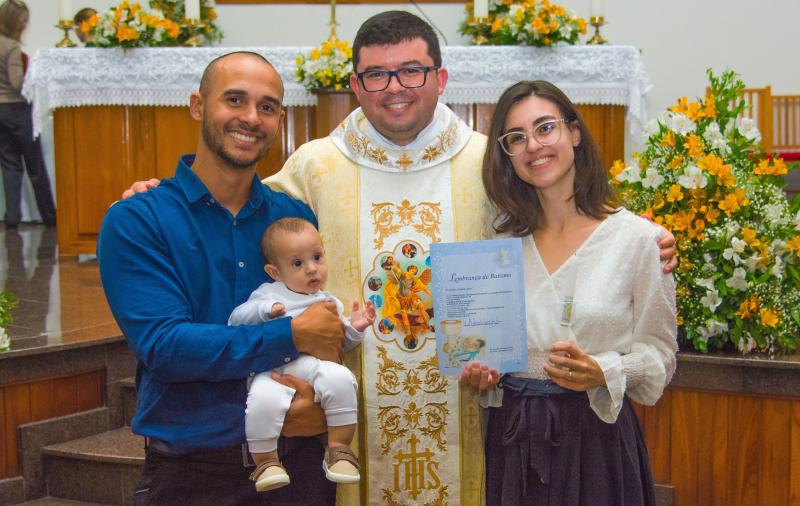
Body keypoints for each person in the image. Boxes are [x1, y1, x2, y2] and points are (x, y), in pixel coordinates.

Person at [122, 12, 678, 505]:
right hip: (351, 420)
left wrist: (642, 239)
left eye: (411, 71)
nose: (395, 88)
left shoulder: (490, 161)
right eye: (377, 75)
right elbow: (234, 207)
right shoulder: (315, 167)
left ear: (440, 78)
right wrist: (160, 191)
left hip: (475, 419)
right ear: (355, 85)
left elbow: (564, 210)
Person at [98, 51, 346, 505]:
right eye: (235, 100)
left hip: (300, 465)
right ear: (198, 105)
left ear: (280, 119)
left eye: (267, 107)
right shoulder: (139, 219)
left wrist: (318, 391)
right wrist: (289, 334)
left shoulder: (293, 217)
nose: (251, 118)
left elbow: (326, 328)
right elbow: (166, 348)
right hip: (194, 470)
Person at [461, 80, 678, 505]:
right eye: (516, 137)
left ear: (575, 133)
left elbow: (660, 356)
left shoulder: (637, 240)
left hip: (595, 438)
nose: (533, 146)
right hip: (512, 438)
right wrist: (482, 373)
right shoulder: (500, 243)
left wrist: (604, 371)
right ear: (506, 155)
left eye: (546, 128)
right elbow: (486, 343)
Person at [228, 217, 376, 492]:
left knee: (342, 378)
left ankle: (339, 448)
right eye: (298, 263)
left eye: (317, 257)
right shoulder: (268, 293)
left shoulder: (328, 300)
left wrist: (354, 329)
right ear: (275, 272)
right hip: (272, 371)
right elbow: (235, 320)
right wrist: (266, 310)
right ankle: (266, 462)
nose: (312, 269)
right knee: (262, 400)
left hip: (313, 368)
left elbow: (338, 344)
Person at [0, 0, 56, 228]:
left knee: (10, 165)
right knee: (35, 166)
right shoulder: (11, 46)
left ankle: (12, 217)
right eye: (23, 21)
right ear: (15, 21)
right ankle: (50, 217)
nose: (25, 25)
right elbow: (17, 83)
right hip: (17, 109)